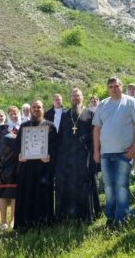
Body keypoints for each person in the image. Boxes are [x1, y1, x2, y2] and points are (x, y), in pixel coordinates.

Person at [93, 77, 135, 228]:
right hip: (106, 154)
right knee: (108, 186)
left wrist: (134, 148)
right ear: (108, 89)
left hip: (124, 153)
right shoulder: (102, 105)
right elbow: (96, 128)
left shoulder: (131, 102)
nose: (114, 89)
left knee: (121, 185)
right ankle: (110, 217)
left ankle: (122, 217)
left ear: (121, 87)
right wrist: (96, 151)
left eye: (116, 86)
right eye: (111, 86)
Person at [55, 88, 101, 222]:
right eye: (73, 96)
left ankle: (85, 214)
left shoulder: (90, 114)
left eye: (78, 96)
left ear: (82, 97)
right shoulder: (65, 115)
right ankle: (68, 214)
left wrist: (94, 154)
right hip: (67, 158)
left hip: (83, 157)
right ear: (70, 98)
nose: (75, 98)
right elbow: (60, 137)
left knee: (84, 185)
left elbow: (95, 137)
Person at [14, 100, 58, 231]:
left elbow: (56, 147)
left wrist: (50, 155)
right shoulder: (24, 126)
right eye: (34, 107)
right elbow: (17, 146)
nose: (36, 109)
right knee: (27, 195)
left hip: (44, 168)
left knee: (43, 194)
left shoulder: (50, 126)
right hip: (27, 168)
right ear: (30, 110)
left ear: (43, 109)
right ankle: (25, 224)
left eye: (39, 107)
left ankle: (44, 223)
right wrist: (20, 155)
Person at [0, 106, 21, 230]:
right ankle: (3, 221)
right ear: (8, 115)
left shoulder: (23, 128)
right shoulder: (2, 129)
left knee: (15, 195)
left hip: (17, 165)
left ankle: (13, 220)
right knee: (2, 194)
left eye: (16, 113)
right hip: (2, 165)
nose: (14, 115)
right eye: (11, 114)